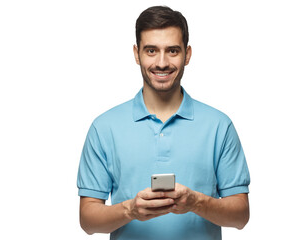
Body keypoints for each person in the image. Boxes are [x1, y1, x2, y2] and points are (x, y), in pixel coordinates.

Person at [77, 6, 250, 240]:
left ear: (187, 54)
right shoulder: (104, 128)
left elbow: (240, 217)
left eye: (172, 51)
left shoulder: (219, 126)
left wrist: (196, 202)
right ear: (136, 53)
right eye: (151, 50)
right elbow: (88, 221)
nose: (161, 62)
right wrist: (130, 210)